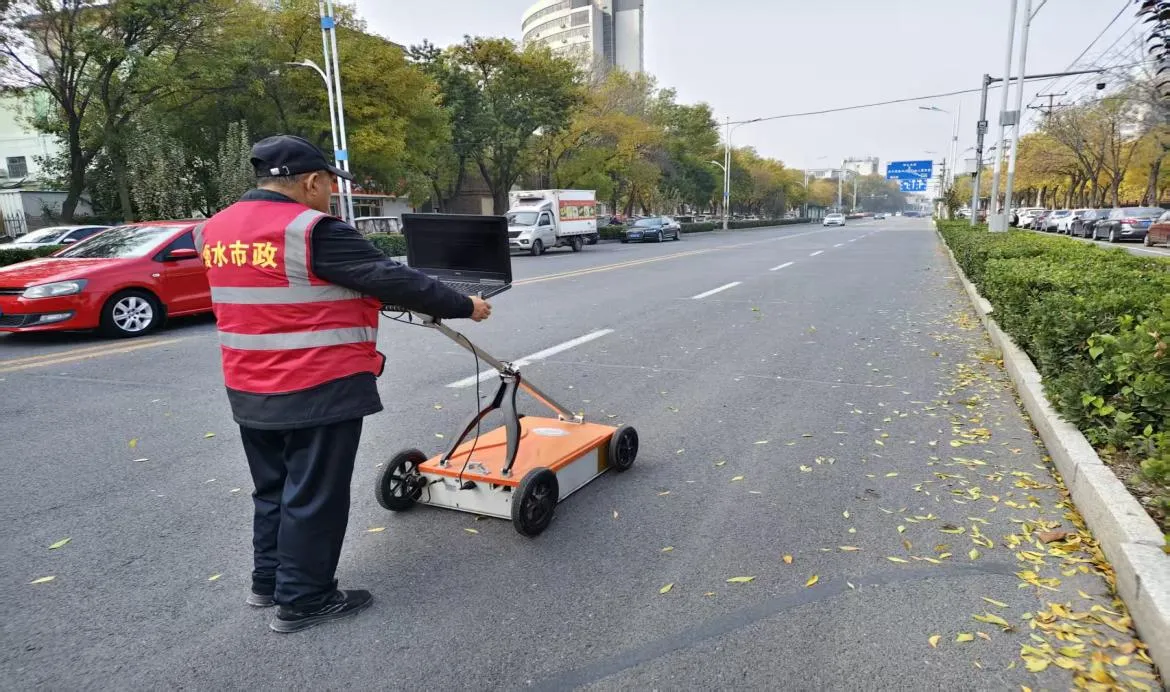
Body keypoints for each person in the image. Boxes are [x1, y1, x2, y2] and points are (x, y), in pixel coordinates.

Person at [195, 134, 492, 633]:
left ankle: (268, 582)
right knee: (315, 495)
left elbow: (284, 287)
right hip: (316, 384)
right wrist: (466, 305)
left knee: (274, 490)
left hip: (247, 383)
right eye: (331, 184)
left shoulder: (212, 230)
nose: (332, 193)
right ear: (312, 181)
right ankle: (305, 599)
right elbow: (394, 279)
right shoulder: (312, 230)